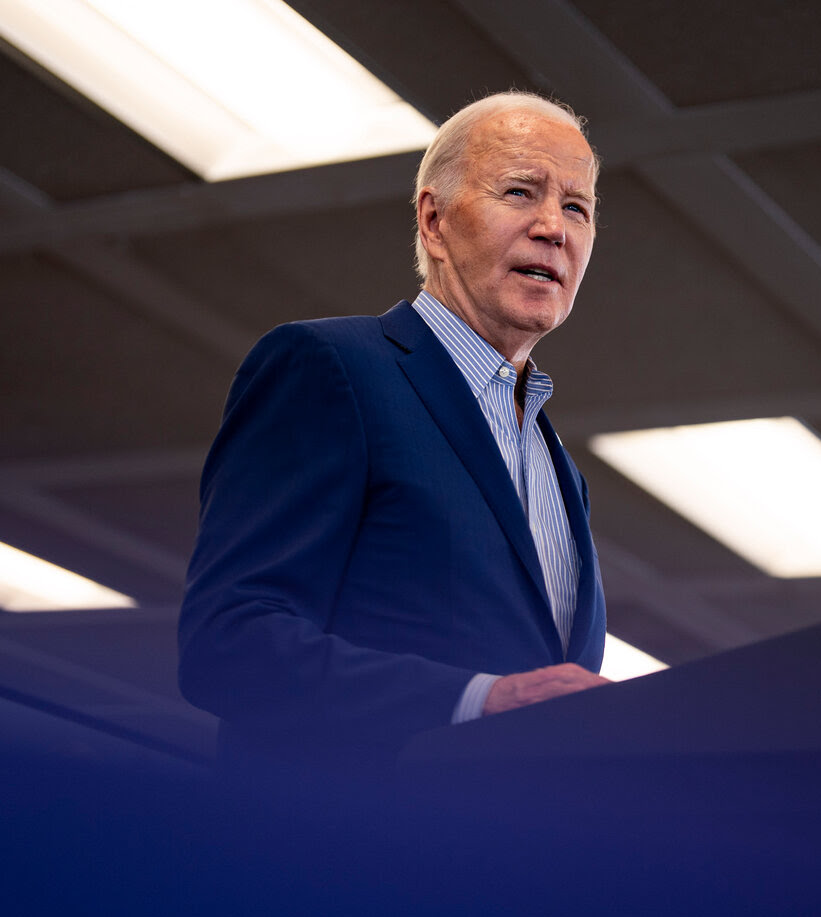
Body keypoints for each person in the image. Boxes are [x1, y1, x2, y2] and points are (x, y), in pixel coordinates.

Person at [178, 92, 611, 772]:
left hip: (508, 866)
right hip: (339, 858)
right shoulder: (331, 369)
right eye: (520, 192)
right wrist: (476, 701)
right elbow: (228, 645)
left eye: (576, 206)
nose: (553, 227)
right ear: (433, 221)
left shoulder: (564, 473)